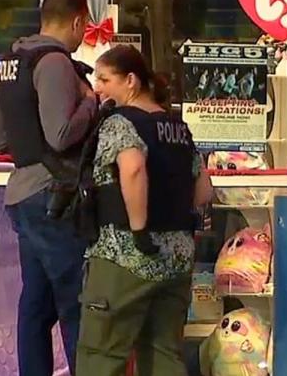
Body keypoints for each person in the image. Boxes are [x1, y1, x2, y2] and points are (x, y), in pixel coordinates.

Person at [75, 45, 213, 375]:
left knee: (102, 355)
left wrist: (139, 230)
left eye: (105, 79)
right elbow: (204, 189)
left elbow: (133, 168)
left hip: (124, 256)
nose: (98, 87)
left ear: (131, 81)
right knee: (164, 353)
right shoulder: (177, 127)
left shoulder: (120, 123)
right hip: (177, 259)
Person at [0, 0, 97, 376]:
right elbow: (61, 133)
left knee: (36, 304)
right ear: (77, 21)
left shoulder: (8, 61)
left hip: (20, 194)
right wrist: (92, 102)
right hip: (52, 196)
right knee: (73, 301)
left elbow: (0, 139)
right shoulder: (55, 62)